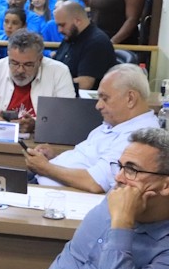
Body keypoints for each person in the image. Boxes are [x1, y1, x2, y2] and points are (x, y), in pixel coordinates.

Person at [41, 128, 169, 269]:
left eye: (132, 169)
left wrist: (122, 224)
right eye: (120, 166)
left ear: (165, 185)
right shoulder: (119, 191)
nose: (118, 178)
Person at [24, 64, 159, 193]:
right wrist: (55, 159)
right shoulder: (116, 123)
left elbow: (95, 183)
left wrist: (46, 168)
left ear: (130, 98)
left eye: (105, 98)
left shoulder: (139, 138)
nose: (98, 106)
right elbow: (88, 160)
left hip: (57, 196)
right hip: (44, 182)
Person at [0, 29, 74, 133]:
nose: (20, 70)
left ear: (40, 60)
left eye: (28, 65)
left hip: (42, 142)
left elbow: (68, 117)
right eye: (14, 63)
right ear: (8, 55)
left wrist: (37, 124)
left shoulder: (59, 72)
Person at [52, 1, 117, 90]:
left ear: (77, 21)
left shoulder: (96, 42)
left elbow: (85, 83)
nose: (59, 30)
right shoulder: (71, 35)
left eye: (62, 25)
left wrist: (52, 84)